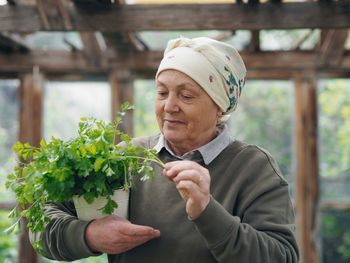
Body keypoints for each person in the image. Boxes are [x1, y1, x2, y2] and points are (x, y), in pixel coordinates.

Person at [32, 37, 299, 263]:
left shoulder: (254, 168)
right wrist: (89, 235)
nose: (169, 106)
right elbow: (40, 223)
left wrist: (208, 212)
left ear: (219, 107)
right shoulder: (125, 158)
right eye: (162, 93)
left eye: (186, 96)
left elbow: (282, 255)